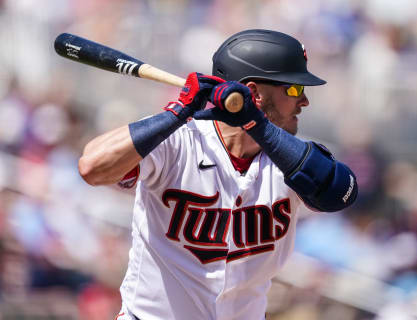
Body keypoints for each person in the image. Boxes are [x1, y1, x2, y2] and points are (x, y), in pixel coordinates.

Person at [78, 29, 358, 320]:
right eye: (294, 89)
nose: (304, 101)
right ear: (255, 92)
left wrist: (256, 123)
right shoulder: (178, 138)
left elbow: (341, 193)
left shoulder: (291, 158)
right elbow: (91, 168)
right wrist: (178, 111)